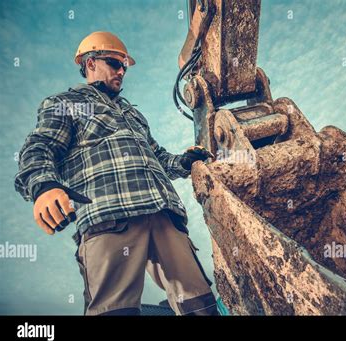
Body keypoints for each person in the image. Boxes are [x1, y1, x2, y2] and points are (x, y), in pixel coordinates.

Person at [14, 31, 219, 316]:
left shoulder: (132, 114)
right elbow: (40, 146)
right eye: (114, 62)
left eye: (124, 65)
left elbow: (158, 158)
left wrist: (184, 162)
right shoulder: (67, 103)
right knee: (114, 310)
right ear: (90, 63)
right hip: (110, 216)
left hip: (163, 214)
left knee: (201, 306)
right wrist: (43, 186)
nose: (122, 70)